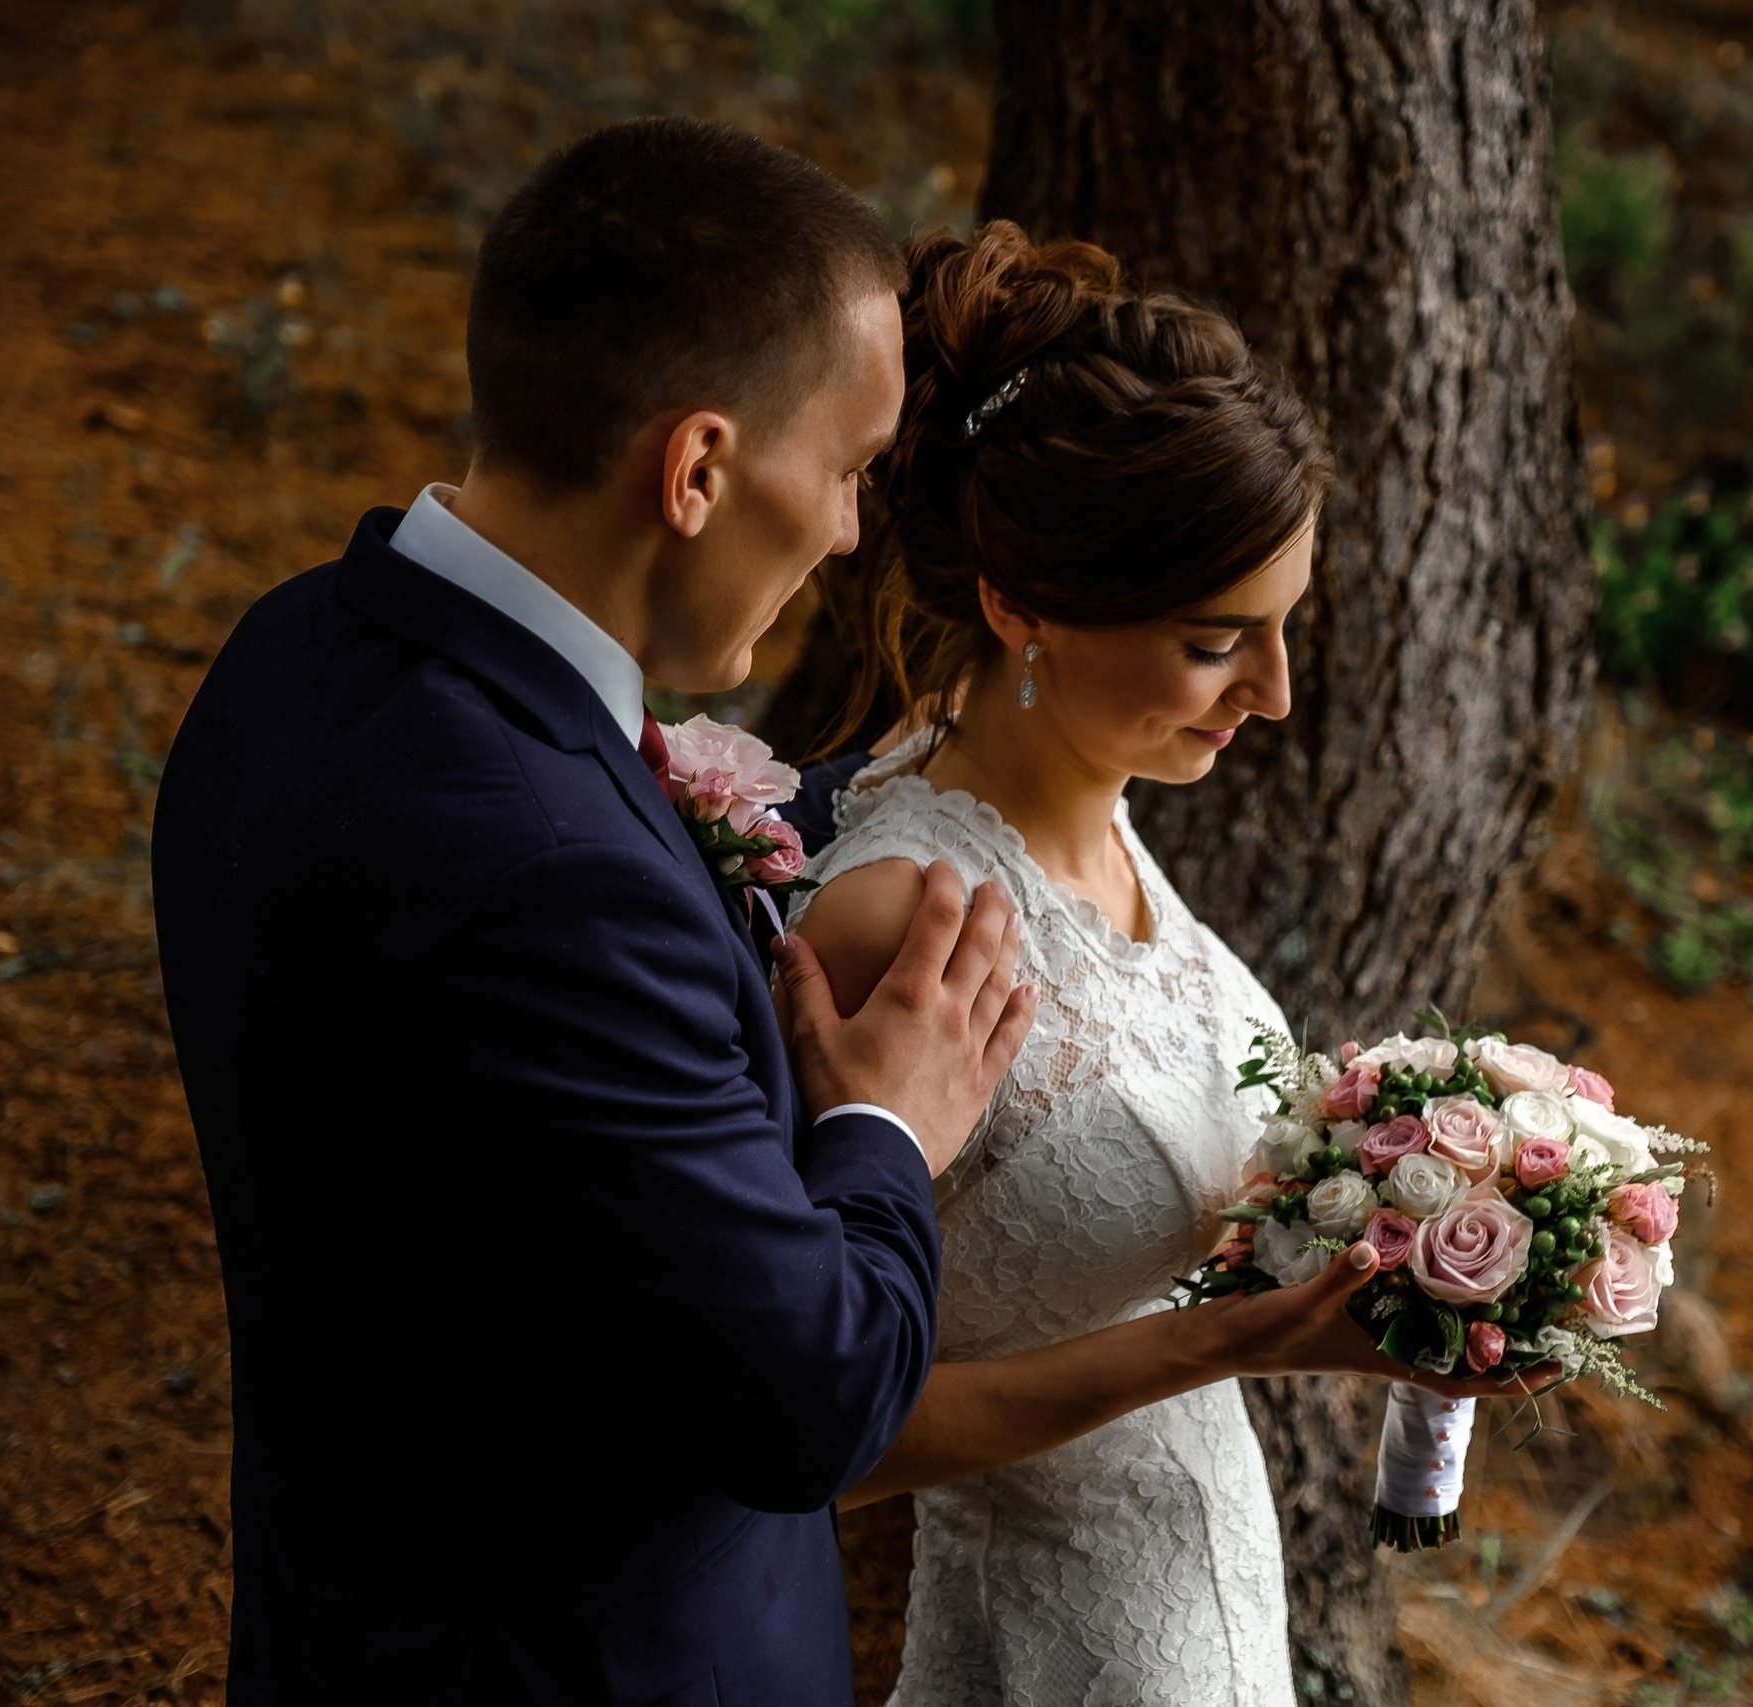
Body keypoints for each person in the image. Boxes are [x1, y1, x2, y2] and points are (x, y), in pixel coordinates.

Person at [151, 119, 1034, 1706]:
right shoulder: (551, 870)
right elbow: (810, 1400)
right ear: (697, 469)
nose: (848, 530)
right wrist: (887, 1125)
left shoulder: (287, 654)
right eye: (844, 470)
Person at [788, 222, 1513, 1707]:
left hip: (1203, 1591)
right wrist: (1243, 1342)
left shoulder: (1101, 823)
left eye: (1282, 628)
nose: (1276, 692)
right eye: (1214, 642)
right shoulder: (898, 921)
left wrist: (1445, 1232)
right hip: (1050, 1633)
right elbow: (813, 1435)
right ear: (1018, 607)